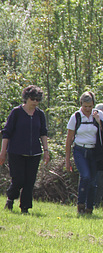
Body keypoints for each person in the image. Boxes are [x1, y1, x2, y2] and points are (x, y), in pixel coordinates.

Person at [1, 85, 50, 214]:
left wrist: (46, 150)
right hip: (16, 151)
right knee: (18, 180)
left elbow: (43, 133)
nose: (35, 102)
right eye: (33, 99)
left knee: (29, 181)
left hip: (34, 153)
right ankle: (11, 198)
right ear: (26, 98)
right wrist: (3, 152)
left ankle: (25, 208)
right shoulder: (16, 113)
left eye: (38, 99)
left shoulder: (40, 114)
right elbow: (6, 133)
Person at [65, 91, 103, 215]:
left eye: (90, 106)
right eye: (85, 107)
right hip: (80, 151)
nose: (88, 109)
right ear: (81, 105)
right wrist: (67, 160)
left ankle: (90, 208)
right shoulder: (76, 117)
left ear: (93, 105)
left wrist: (99, 121)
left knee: (93, 181)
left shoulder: (98, 114)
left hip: (94, 152)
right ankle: (81, 205)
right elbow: (69, 140)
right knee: (85, 176)